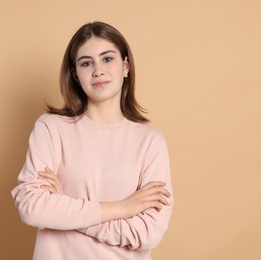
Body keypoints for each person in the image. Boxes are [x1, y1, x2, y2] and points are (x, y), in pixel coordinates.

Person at [11, 21, 173, 260]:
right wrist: (123, 208)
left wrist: (66, 208)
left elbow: (148, 234)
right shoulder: (51, 128)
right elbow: (32, 208)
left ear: (125, 66)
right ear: (76, 74)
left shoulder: (150, 142)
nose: (98, 70)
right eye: (86, 63)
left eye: (107, 59)